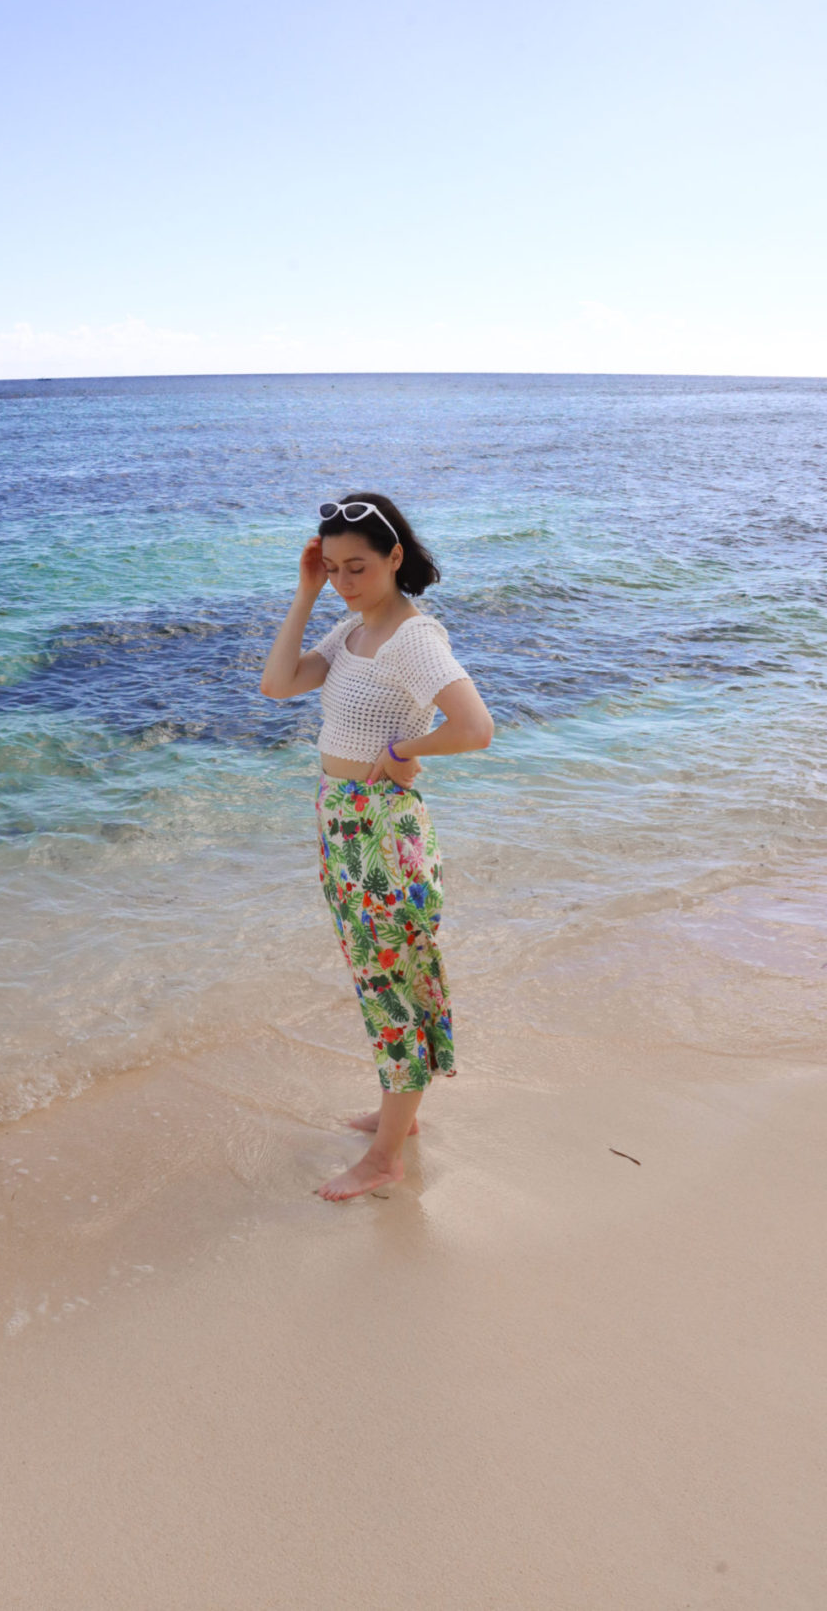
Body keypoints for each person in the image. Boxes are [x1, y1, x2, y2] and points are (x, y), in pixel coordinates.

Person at [260, 492, 494, 1202]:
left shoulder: (412, 640)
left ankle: (385, 1159)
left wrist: (401, 750)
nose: (343, 581)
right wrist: (305, 593)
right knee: (377, 979)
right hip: (343, 824)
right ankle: (400, 1115)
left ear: (395, 557)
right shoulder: (352, 631)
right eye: (332, 568)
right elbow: (277, 685)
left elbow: (475, 728)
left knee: (392, 986)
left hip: (383, 833)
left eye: (355, 567)